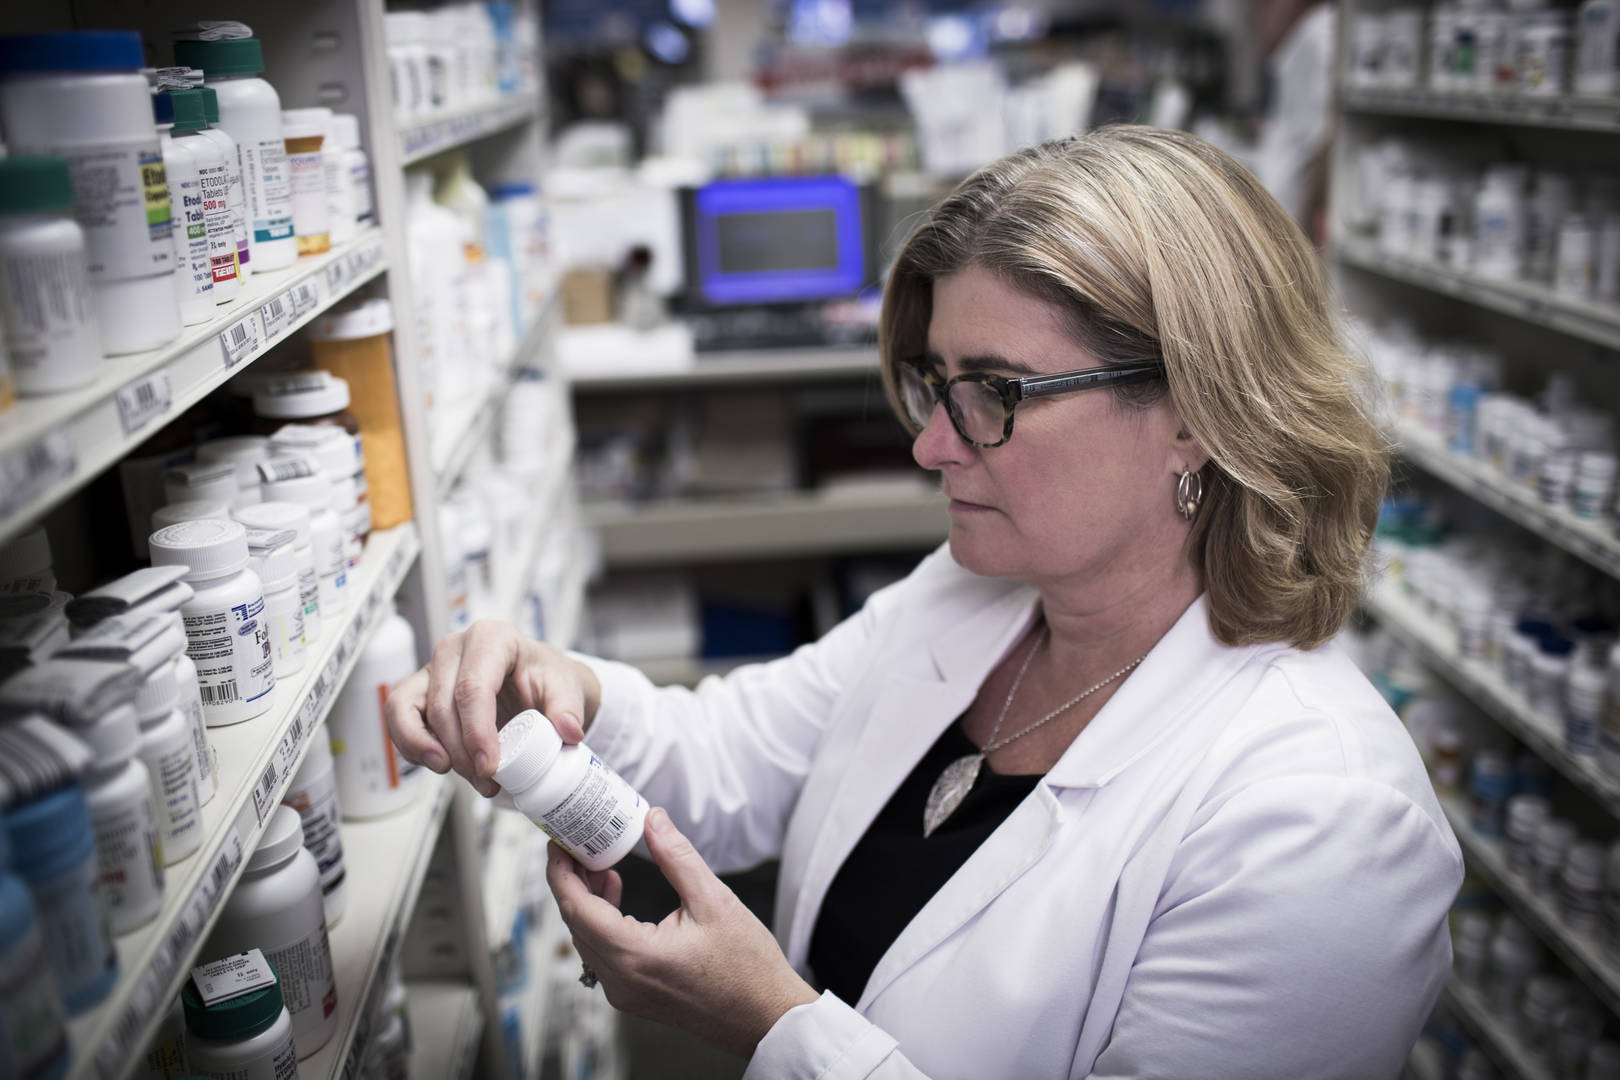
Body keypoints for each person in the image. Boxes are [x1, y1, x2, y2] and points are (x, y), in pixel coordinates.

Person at [387, 126, 1463, 1079]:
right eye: (934, 384)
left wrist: (776, 1029)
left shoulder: (1322, 820)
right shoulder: (975, 593)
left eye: (993, 394)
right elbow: (729, 759)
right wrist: (558, 693)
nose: (928, 444)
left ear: (1194, 411)